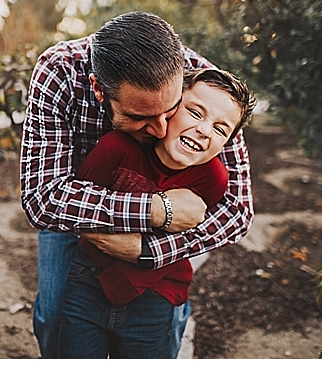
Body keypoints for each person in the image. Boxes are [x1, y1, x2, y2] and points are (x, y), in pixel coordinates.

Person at [19, 11, 255, 359]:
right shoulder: (59, 73)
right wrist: (160, 210)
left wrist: (148, 250)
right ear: (99, 90)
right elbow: (43, 200)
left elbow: (238, 210)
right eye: (139, 117)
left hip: (159, 243)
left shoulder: (202, 87)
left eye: (170, 111)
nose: (160, 130)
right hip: (72, 214)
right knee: (54, 318)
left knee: (168, 324)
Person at [59, 68, 255, 358]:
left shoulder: (213, 179)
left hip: (157, 290)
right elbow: (77, 210)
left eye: (220, 129)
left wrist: (141, 253)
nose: (204, 130)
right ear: (170, 108)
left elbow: (189, 235)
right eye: (195, 112)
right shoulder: (116, 148)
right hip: (89, 280)